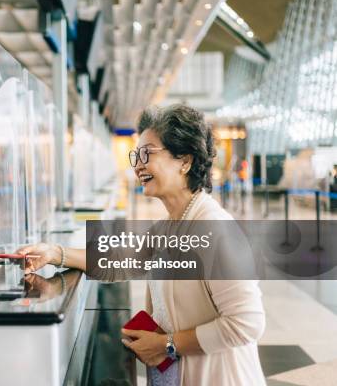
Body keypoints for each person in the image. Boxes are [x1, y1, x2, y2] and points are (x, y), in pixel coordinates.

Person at [19, 104, 266, 386]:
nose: (137, 165)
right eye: (136, 155)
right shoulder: (170, 226)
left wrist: (168, 344)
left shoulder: (214, 228)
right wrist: (55, 253)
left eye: (147, 154)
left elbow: (247, 323)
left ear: (184, 161)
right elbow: (118, 262)